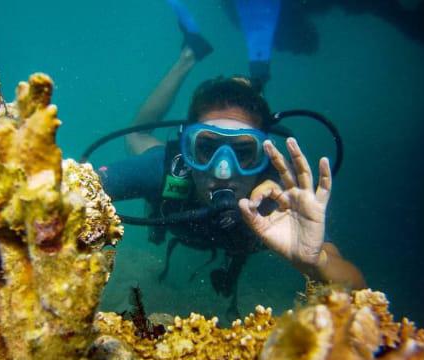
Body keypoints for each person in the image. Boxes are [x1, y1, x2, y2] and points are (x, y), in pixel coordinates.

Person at [96, 1, 366, 318]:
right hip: (171, 174)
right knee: (135, 138)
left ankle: (242, 82)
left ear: (264, 155)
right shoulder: (169, 169)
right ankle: (188, 56)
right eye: (207, 148)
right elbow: (76, 185)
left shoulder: (280, 195)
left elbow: (359, 290)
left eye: (242, 152)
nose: (223, 170)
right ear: (186, 148)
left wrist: (314, 260)